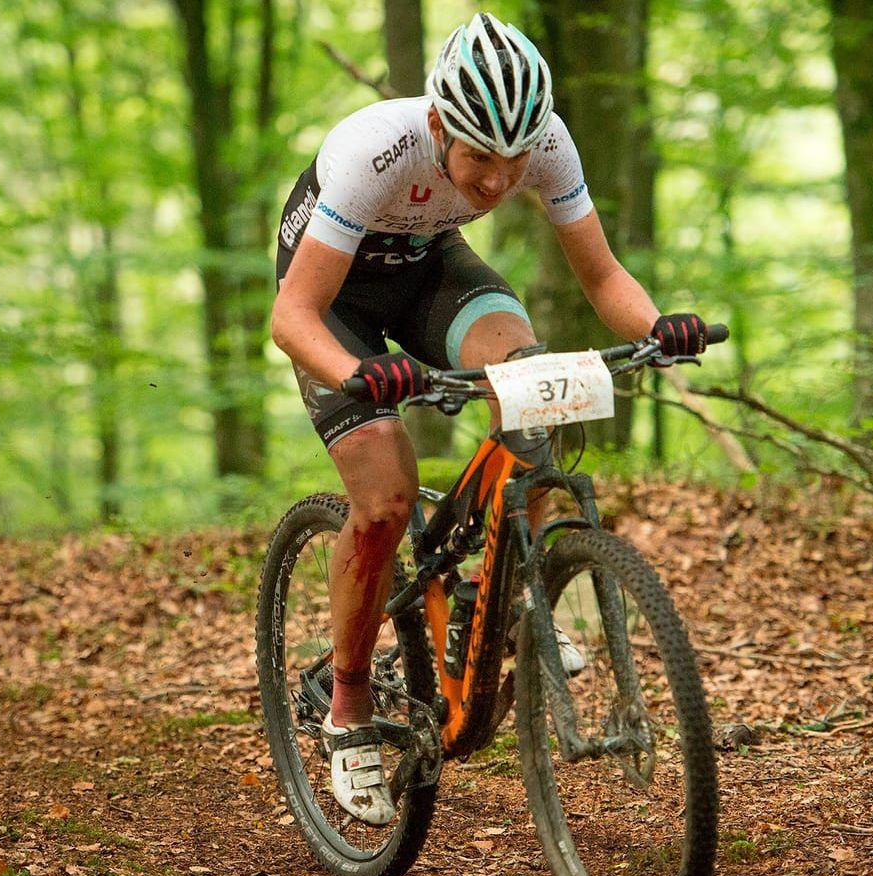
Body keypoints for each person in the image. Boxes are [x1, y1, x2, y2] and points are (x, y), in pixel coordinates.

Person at [269, 12, 708, 826]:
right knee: (386, 499)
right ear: (440, 125)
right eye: (480, 159)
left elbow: (602, 274)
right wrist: (358, 374)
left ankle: (509, 594)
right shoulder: (375, 151)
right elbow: (292, 317)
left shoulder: (549, 144)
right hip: (334, 302)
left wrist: (656, 327)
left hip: (430, 271)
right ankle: (349, 706)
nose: (500, 183)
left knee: (538, 388)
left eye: (515, 162)